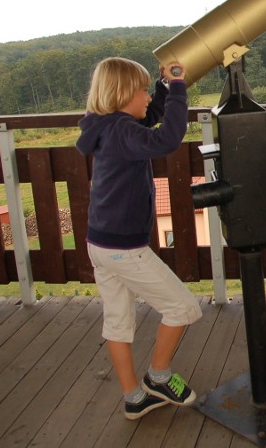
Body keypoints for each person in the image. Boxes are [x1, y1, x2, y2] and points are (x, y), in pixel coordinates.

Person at [76, 57, 203, 419]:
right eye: (144, 90)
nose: (148, 97)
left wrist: (164, 89)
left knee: (117, 322)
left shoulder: (107, 125)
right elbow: (166, 137)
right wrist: (178, 88)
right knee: (182, 308)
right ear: (122, 93)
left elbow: (148, 119)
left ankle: (134, 397)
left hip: (100, 243)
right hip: (123, 249)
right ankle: (158, 377)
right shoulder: (121, 132)